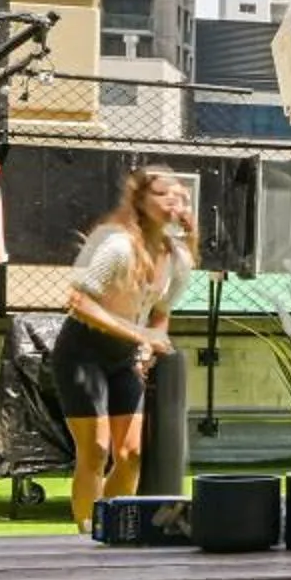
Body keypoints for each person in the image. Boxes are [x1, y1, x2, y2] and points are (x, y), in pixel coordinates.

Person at [49, 166, 186, 531]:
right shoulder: (117, 244)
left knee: (132, 454)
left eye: (179, 192)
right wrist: (138, 335)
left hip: (124, 356)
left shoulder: (177, 257)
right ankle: (86, 536)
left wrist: (148, 346)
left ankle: (110, 527)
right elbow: (78, 301)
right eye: (161, 193)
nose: (174, 198)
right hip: (82, 351)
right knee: (95, 451)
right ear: (140, 200)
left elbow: (161, 312)